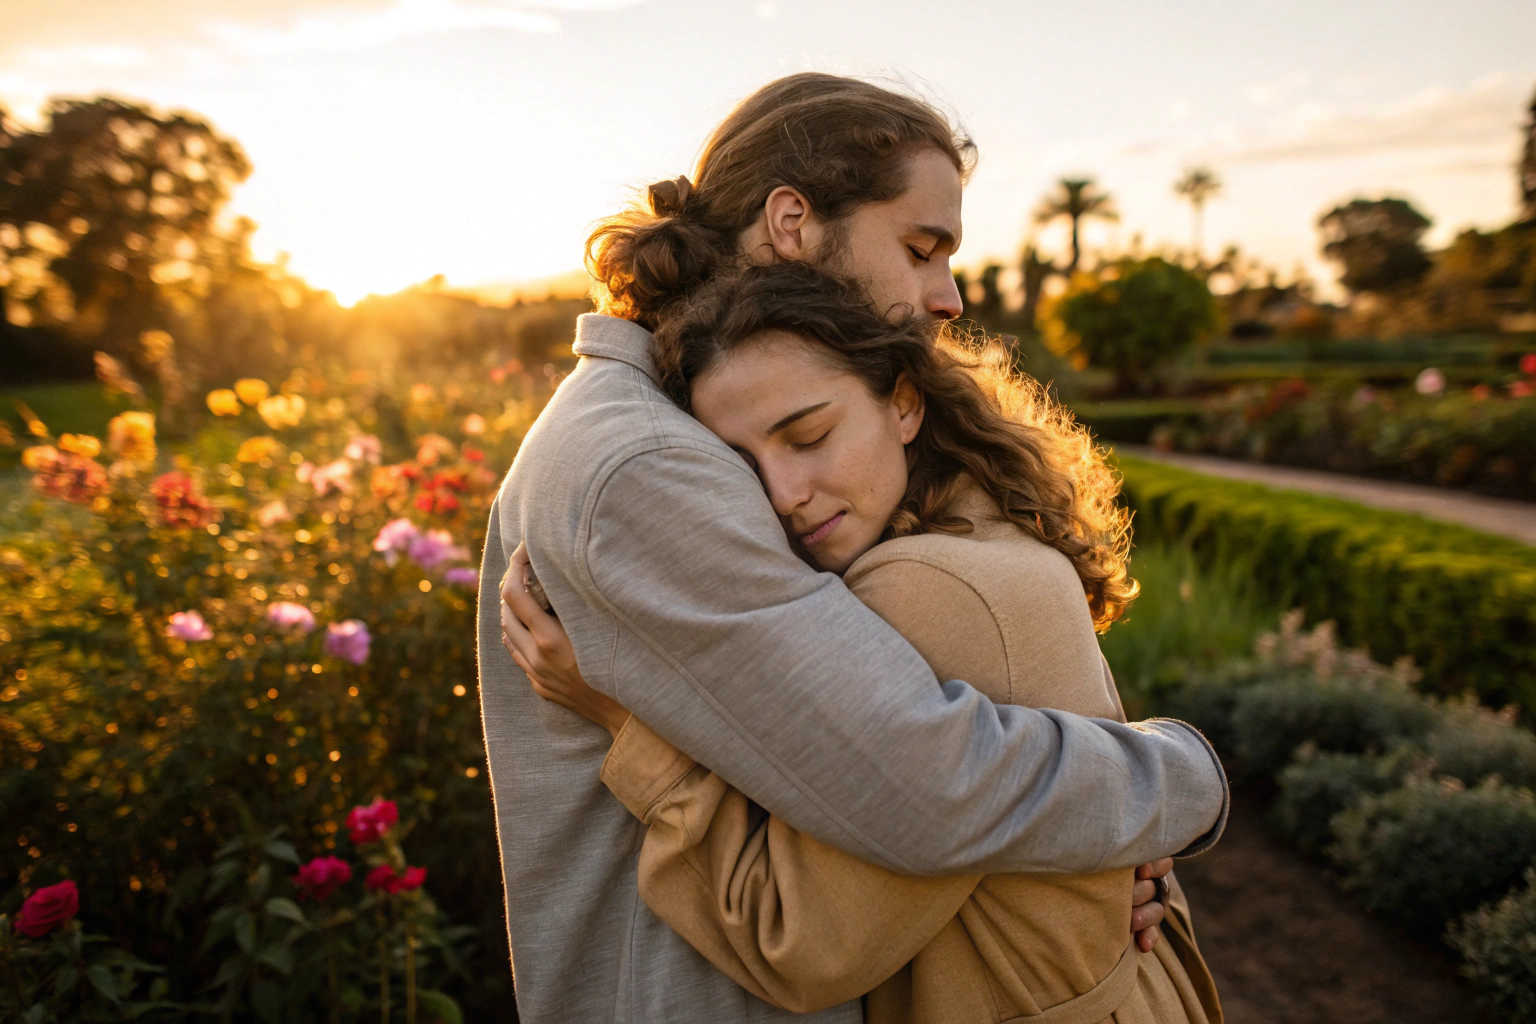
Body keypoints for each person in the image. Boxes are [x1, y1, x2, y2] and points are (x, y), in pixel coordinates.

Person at [476, 72, 1228, 1024]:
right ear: (792, 222)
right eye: (921, 248)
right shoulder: (646, 462)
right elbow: (923, 787)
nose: (946, 296)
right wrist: (1171, 782)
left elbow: (917, 740)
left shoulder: (710, 414)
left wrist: (1083, 850)